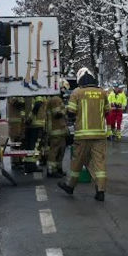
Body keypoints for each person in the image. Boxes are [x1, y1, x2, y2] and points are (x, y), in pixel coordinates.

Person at [58, 68, 110, 200]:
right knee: (99, 163)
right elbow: (107, 112)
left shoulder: (77, 92)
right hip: (99, 135)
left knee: (78, 161)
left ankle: (70, 186)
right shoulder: (102, 92)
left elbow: (71, 113)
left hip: (82, 135)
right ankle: (101, 191)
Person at [43, 90, 68, 178]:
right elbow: (57, 114)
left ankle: (58, 168)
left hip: (59, 130)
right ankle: (51, 170)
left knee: (60, 150)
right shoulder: (55, 99)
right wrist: (66, 110)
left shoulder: (55, 99)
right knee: (54, 151)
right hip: (55, 129)